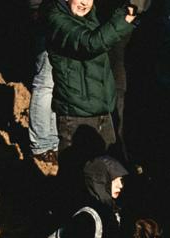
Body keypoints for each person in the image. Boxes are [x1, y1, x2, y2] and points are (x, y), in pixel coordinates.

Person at [43, 0, 134, 154]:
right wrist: (124, 19)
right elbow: (90, 43)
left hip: (102, 111)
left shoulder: (92, 17)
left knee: (111, 171)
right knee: (77, 173)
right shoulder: (56, 19)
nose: (85, 3)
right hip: (76, 114)